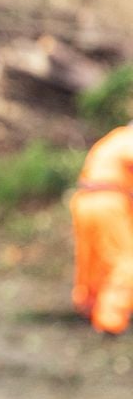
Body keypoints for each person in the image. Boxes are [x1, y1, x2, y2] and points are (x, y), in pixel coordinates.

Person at [70, 122, 133, 334]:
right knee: (126, 262)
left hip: (84, 199)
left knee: (92, 259)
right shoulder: (127, 139)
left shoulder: (111, 138)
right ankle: (110, 321)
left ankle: (87, 306)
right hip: (109, 202)